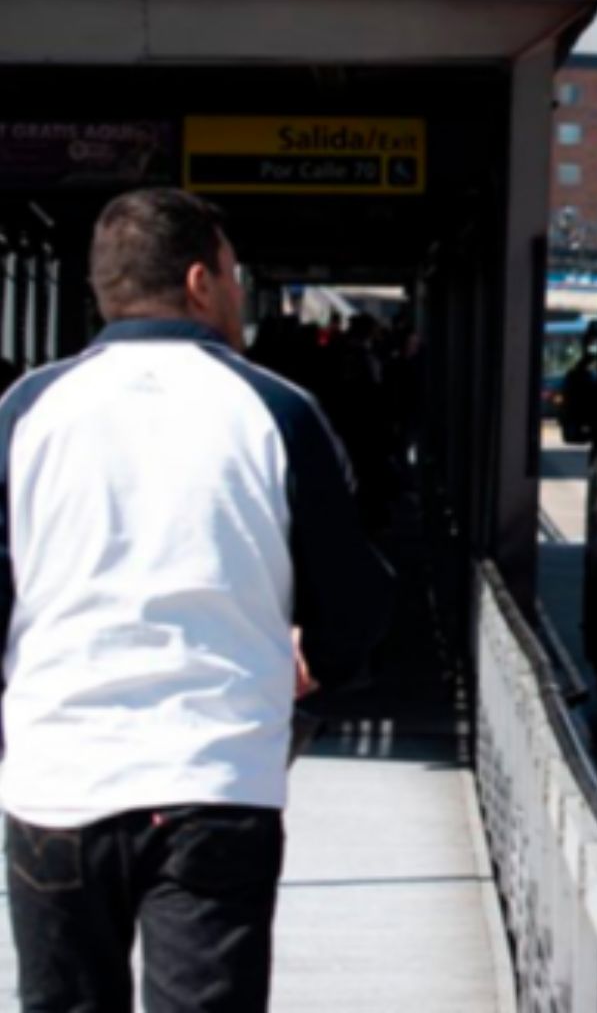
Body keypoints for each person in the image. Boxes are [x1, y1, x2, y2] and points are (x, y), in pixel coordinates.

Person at [0, 188, 394, 1012]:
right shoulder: (279, 412)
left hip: (55, 784)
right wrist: (314, 664)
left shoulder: (26, 411)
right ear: (200, 281)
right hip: (216, 781)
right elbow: (353, 602)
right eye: (233, 273)